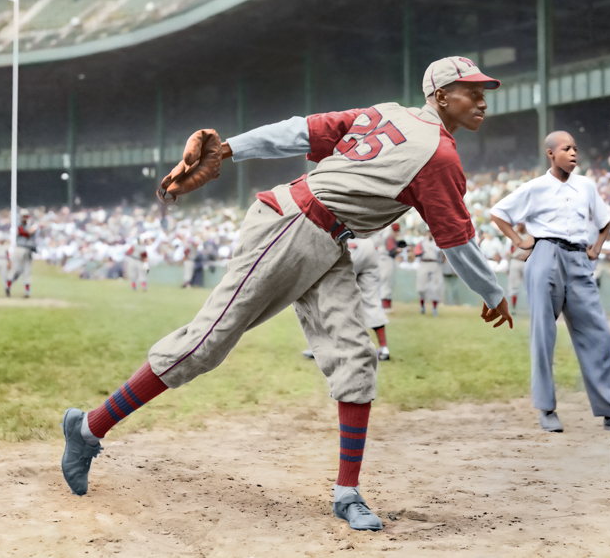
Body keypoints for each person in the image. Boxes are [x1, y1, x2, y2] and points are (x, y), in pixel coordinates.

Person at [60, 56, 513, 532]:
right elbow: (457, 240)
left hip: (327, 238)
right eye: (471, 89)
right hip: (293, 225)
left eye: (484, 90)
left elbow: (302, 131)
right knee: (204, 344)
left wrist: (231, 148)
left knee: (356, 356)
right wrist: (490, 290)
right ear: (440, 96)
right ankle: (88, 427)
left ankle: (346, 493)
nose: (483, 99)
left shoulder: (386, 113)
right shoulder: (438, 154)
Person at [489, 130, 610, 435]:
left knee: (598, 332)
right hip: (545, 254)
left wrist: (598, 246)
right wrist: (519, 241)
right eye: (566, 148)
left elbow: (605, 220)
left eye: (575, 148)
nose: (573, 153)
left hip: (578, 258)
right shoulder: (536, 187)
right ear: (551, 154)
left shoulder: (586, 185)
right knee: (544, 333)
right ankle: (547, 409)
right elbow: (498, 213)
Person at [304, 237, 392, 361]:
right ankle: (384, 348)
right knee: (371, 300)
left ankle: (322, 348)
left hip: (348, 241)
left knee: (327, 298)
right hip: (369, 245)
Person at [8, 209, 37, 298]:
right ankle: (8, 285)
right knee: (16, 269)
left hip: (28, 250)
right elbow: (24, 233)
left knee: (27, 271)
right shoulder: (19, 225)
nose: (25, 218)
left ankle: (27, 292)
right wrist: (31, 230)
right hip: (20, 249)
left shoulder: (28, 225)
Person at [415, 232, 444, 315]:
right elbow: (416, 253)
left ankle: (434, 308)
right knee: (421, 288)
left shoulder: (439, 242)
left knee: (436, 288)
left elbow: (444, 256)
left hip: (436, 264)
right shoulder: (422, 242)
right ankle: (422, 305)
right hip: (424, 263)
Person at [378, 223, 405, 309]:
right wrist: (400, 250)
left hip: (382, 259)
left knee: (385, 282)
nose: (397, 233)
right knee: (387, 281)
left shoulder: (386, 233)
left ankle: (383, 304)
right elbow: (392, 250)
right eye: (395, 231)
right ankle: (385, 304)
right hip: (386, 259)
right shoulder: (388, 235)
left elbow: (401, 243)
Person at [506, 224, 530, 308]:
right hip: (515, 261)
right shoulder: (515, 236)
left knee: (528, 286)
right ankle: (513, 307)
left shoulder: (529, 236)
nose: (518, 227)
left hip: (525, 262)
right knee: (513, 286)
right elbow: (509, 252)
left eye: (520, 225)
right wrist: (508, 266)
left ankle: (531, 306)